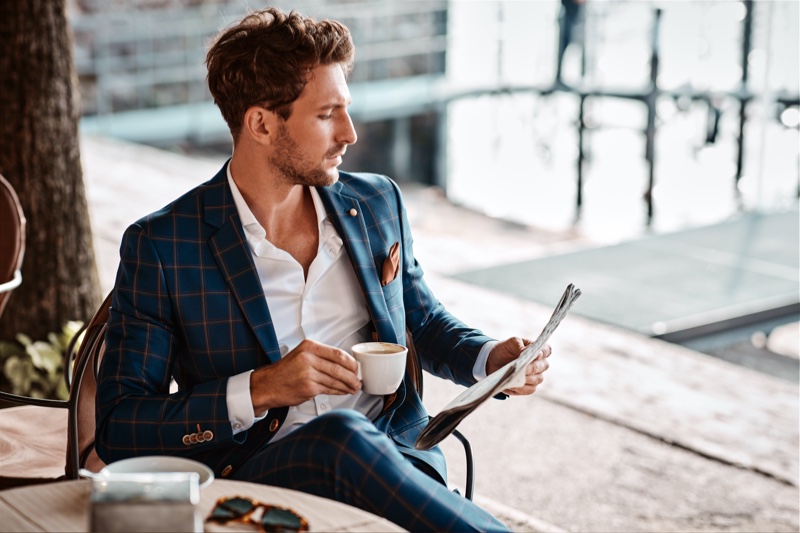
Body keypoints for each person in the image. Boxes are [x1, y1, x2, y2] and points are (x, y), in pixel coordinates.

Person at [95, 7, 552, 532]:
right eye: (326, 114)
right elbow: (120, 425)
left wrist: (490, 358)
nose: (351, 133)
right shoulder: (164, 244)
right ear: (262, 123)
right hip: (256, 476)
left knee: (355, 443)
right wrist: (261, 388)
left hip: (399, 461)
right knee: (340, 438)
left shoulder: (377, 202)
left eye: (347, 109)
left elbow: (421, 323)